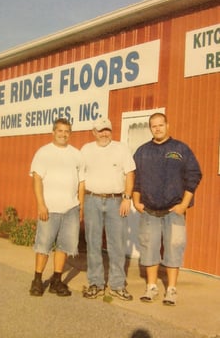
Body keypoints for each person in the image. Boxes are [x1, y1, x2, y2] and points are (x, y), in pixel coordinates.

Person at [133, 113, 202, 306]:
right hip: (149, 210)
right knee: (149, 247)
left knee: (174, 247)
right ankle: (152, 287)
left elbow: (194, 175)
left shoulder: (180, 149)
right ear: (150, 128)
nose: (157, 129)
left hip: (174, 211)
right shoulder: (142, 152)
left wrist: (184, 204)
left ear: (167, 126)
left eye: (160, 125)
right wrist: (137, 202)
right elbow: (135, 179)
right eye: (153, 126)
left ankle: (171, 289)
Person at [81, 118, 135, 300]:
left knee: (117, 245)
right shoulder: (86, 150)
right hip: (92, 199)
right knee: (93, 243)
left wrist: (127, 198)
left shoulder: (121, 148)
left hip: (116, 201)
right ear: (94, 132)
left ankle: (117, 285)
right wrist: (80, 202)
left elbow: (130, 173)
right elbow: (80, 177)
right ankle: (95, 283)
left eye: (107, 130)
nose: (104, 134)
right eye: (101, 130)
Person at [29, 118, 85, 297]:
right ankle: (37, 280)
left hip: (71, 209)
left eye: (66, 131)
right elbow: (37, 179)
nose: (63, 134)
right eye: (60, 131)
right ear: (53, 132)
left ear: (70, 133)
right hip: (49, 208)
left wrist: (80, 206)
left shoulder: (76, 154)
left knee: (64, 246)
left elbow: (81, 183)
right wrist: (41, 205)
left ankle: (56, 281)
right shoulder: (43, 153)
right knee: (43, 246)